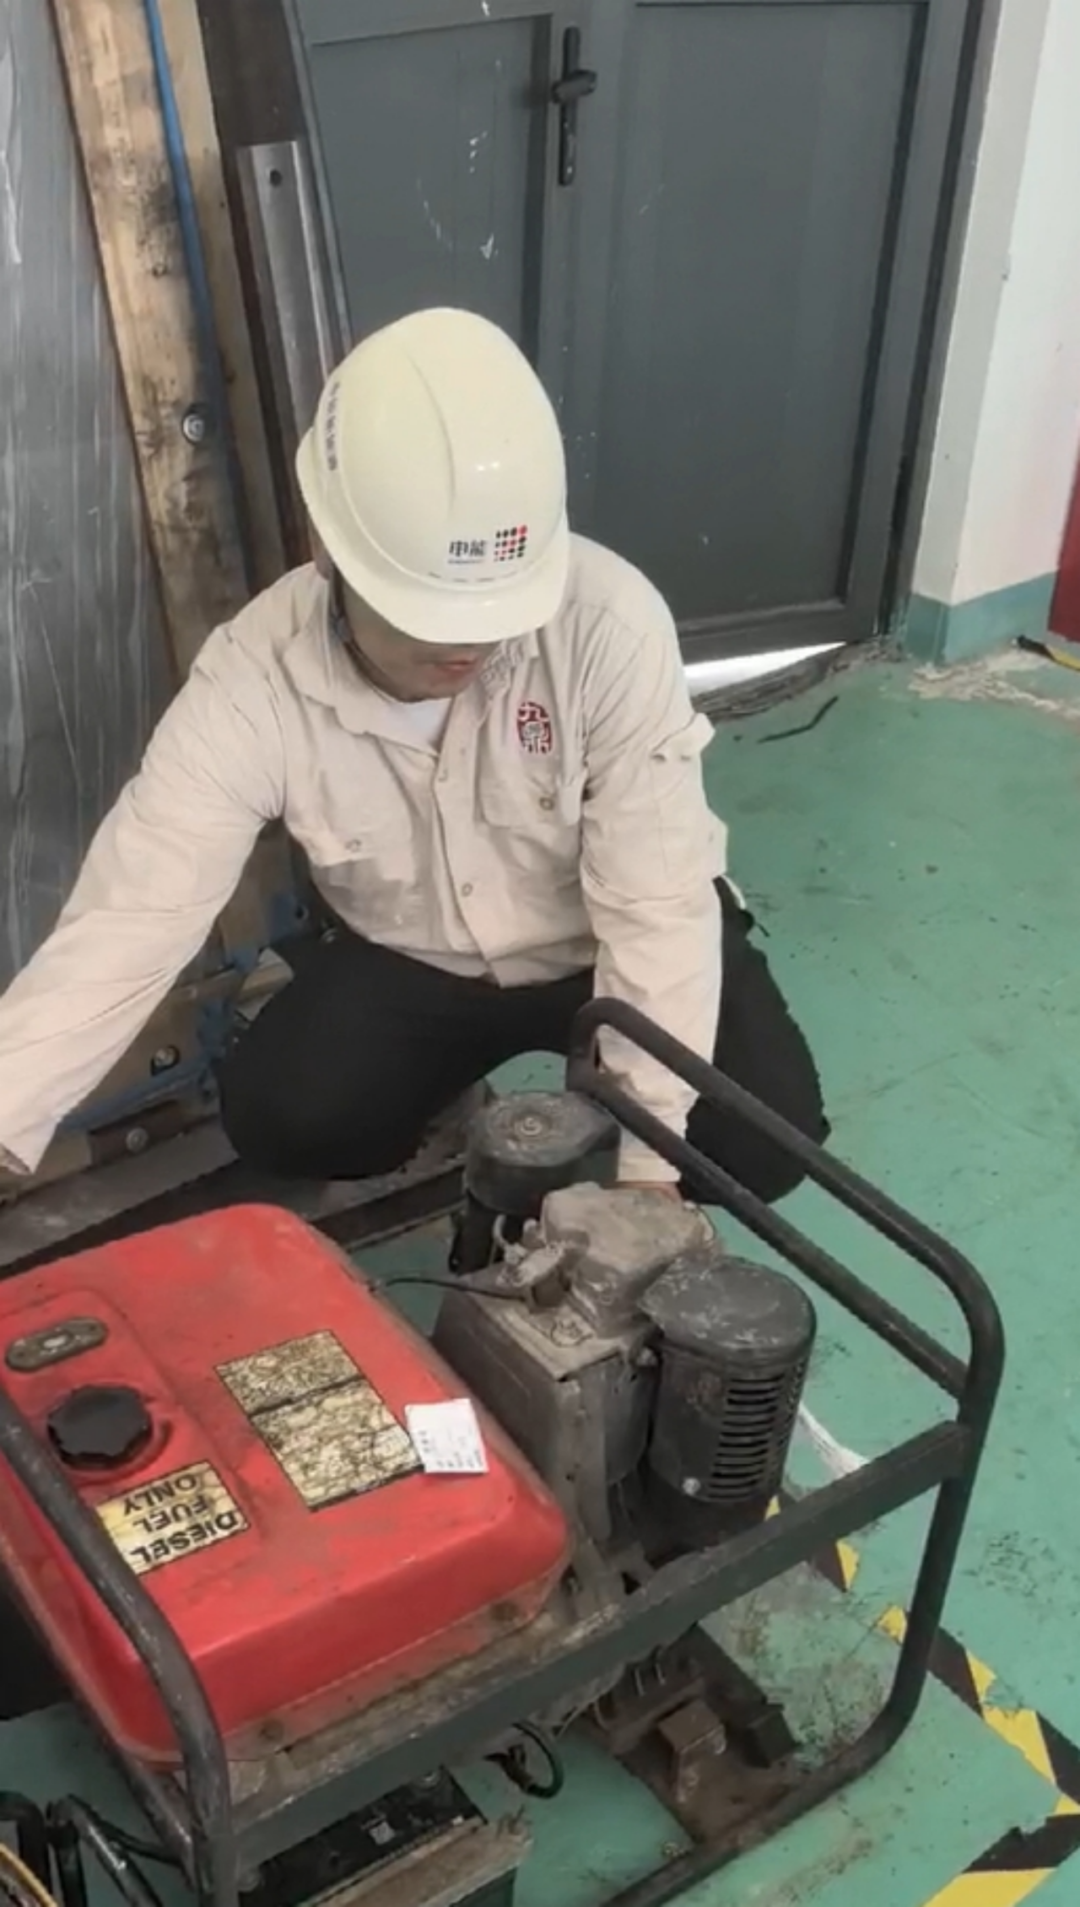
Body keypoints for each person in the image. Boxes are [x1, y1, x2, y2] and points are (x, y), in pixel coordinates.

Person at [0, 308, 826, 1202]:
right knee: (285, 1114)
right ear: (326, 552)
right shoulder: (254, 679)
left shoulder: (607, 626)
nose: (466, 648)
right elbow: (133, 914)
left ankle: (591, 1126)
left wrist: (647, 1174)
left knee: (762, 1143)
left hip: (598, 947)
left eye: (493, 616)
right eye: (429, 616)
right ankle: (448, 1110)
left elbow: (655, 905)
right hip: (419, 959)